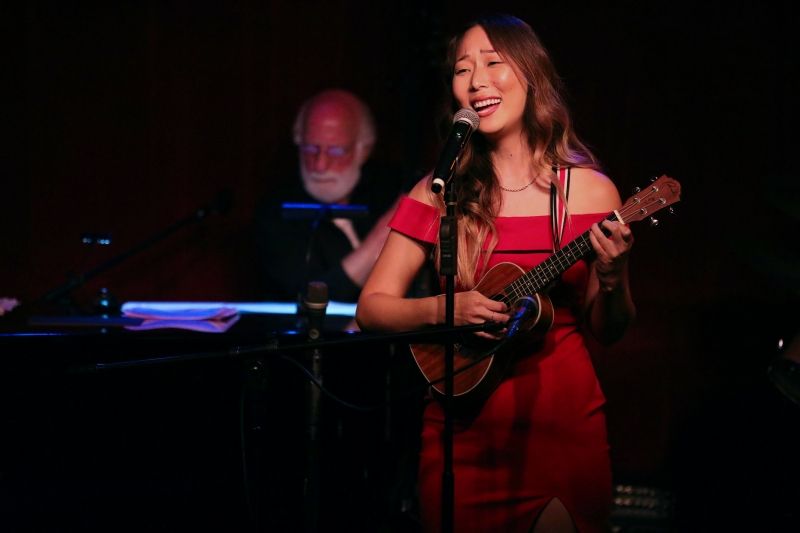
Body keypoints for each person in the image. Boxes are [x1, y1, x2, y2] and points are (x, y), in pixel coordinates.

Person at [356, 13, 635, 533]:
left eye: (492, 63)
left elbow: (609, 329)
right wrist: (449, 309)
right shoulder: (439, 191)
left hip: (560, 430)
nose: (476, 80)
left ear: (531, 74)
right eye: (463, 69)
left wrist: (614, 277)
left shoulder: (592, 193)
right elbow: (371, 308)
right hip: (461, 430)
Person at [254, 88, 406, 304]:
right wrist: (384, 235)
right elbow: (311, 302)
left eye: (336, 151)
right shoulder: (276, 211)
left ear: (363, 150)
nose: (320, 165)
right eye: (310, 149)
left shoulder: (388, 188)